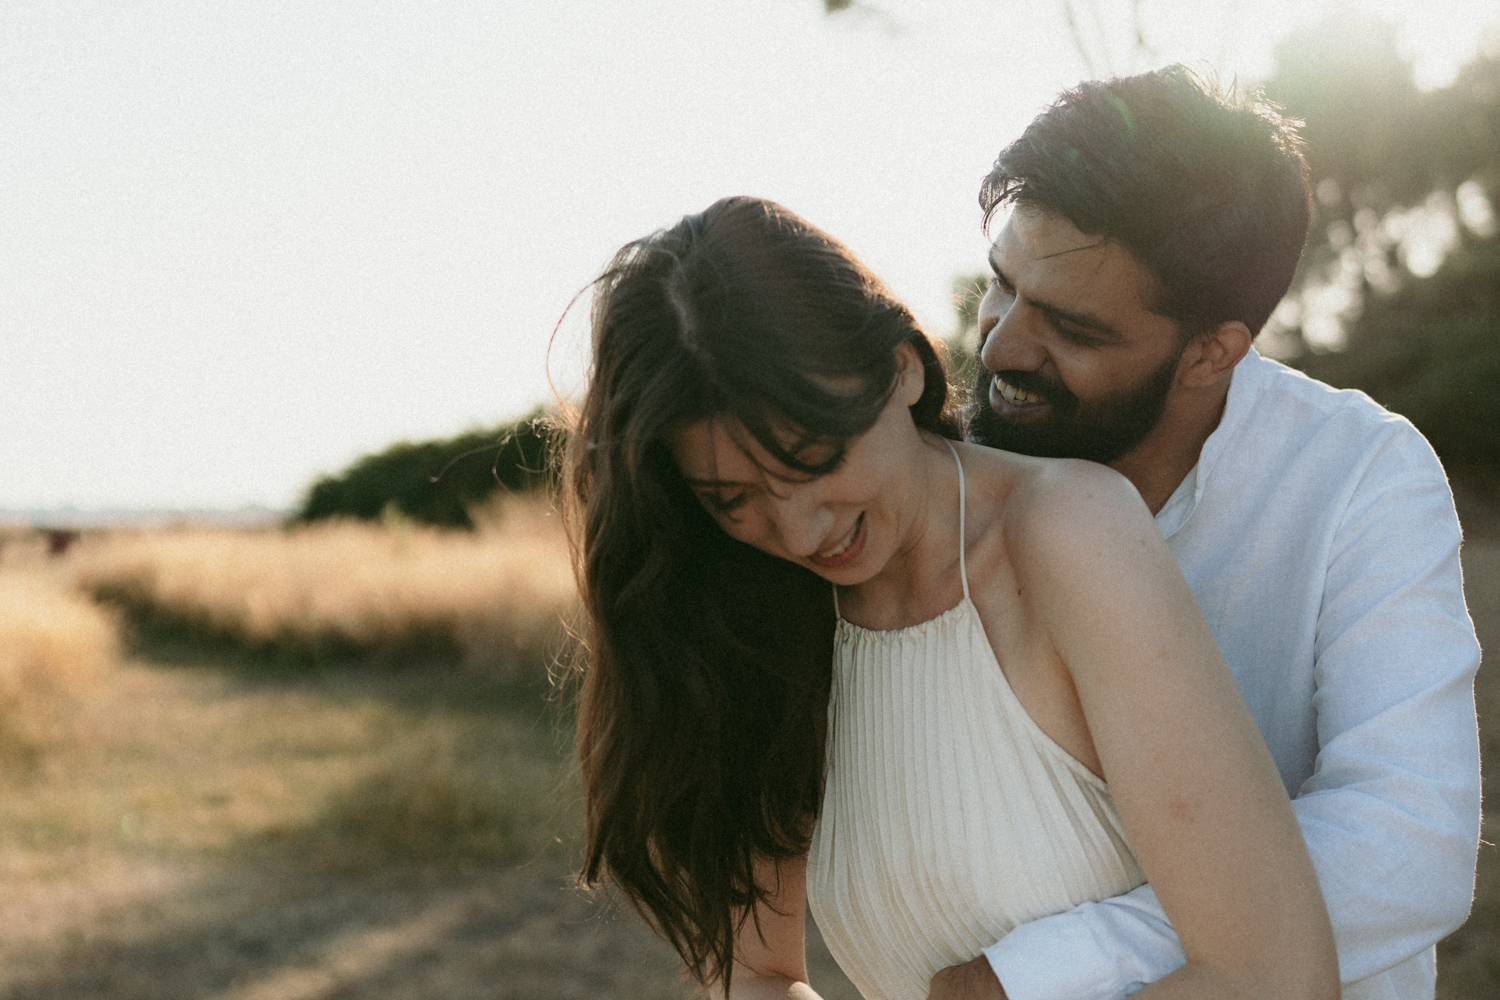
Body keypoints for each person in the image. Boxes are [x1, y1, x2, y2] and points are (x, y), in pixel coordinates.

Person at [563, 195, 1339, 1000]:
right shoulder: (762, 612)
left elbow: (1274, 974)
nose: (798, 531)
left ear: (900, 367)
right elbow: (757, 973)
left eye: (812, 457)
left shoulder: (1067, 532)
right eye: (733, 499)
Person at [927, 67, 1482, 1000]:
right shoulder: (953, 483)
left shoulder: (1360, 477)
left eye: (1069, 326)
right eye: (1002, 285)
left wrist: (1037, 978)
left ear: (1212, 353)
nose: (999, 347)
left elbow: (1407, 834)